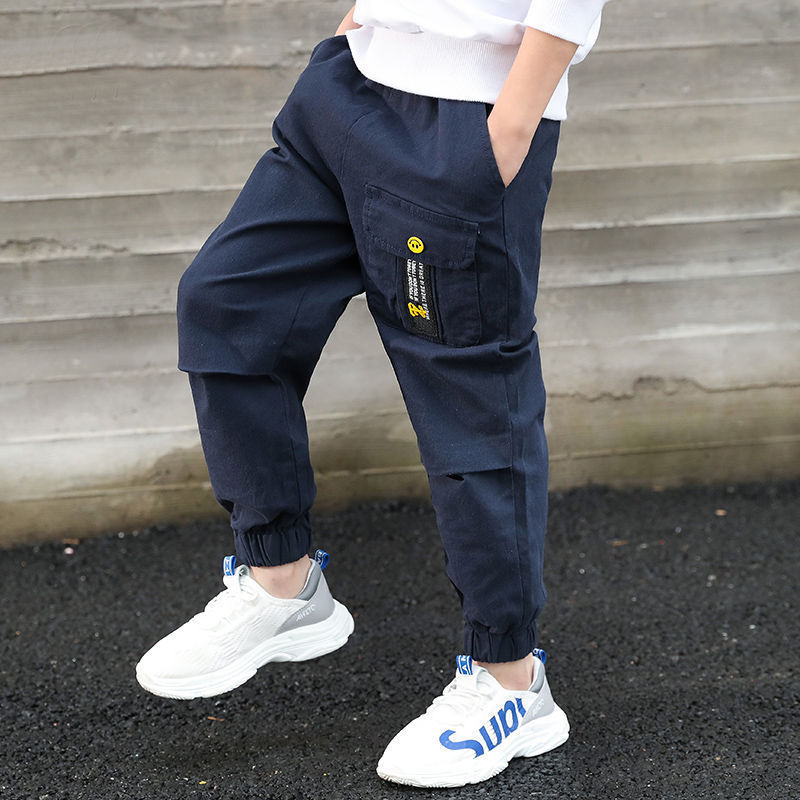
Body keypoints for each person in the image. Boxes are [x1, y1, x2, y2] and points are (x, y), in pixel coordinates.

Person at [135, 0, 610, 788]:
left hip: (463, 121)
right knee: (227, 304)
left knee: (468, 399)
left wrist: (505, 131)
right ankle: (282, 581)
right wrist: (354, 28)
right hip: (348, 90)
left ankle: (511, 681)